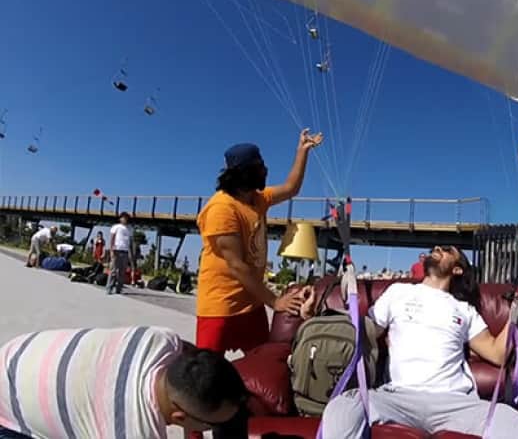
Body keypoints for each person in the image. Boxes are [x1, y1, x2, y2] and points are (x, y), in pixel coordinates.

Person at [320, 245, 518, 439]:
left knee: (512, 423)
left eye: (447, 250)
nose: (438, 247)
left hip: (453, 402)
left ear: (457, 269)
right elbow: (365, 332)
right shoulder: (398, 292)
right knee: (344, 406)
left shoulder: (464, 310)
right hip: (397, 398)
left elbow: (496, 353)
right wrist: (319, 314)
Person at [195, 129, 322, 355]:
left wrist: (302, 151)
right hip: (220, 307)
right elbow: (236, 265)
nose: (266, 170)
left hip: (251, 305)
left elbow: (291, 188)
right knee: (207, 373)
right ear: (244, 173)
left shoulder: (258, 199)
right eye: (260, 166)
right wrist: (273, 301)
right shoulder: (222, 209)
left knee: (263, 363)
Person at [0, 326, 249, 439]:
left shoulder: (162, 340)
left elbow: (198, 356)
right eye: (215, 427)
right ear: (180, 418)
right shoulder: (128, 431)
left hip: (20, 350)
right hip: (8, 404)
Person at [107, 213, 134, 295]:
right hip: (116, 250)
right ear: (120, 219)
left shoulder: (130, 229)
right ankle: (109, 288)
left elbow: (130, 242)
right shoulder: (116, 227)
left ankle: (119, 288)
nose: (124, 219)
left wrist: (131, 253)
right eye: (123, 218)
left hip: (125, 251)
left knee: (122, 271)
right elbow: (112, 238)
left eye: (126, 218)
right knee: (113, 270)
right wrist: (111, 250)